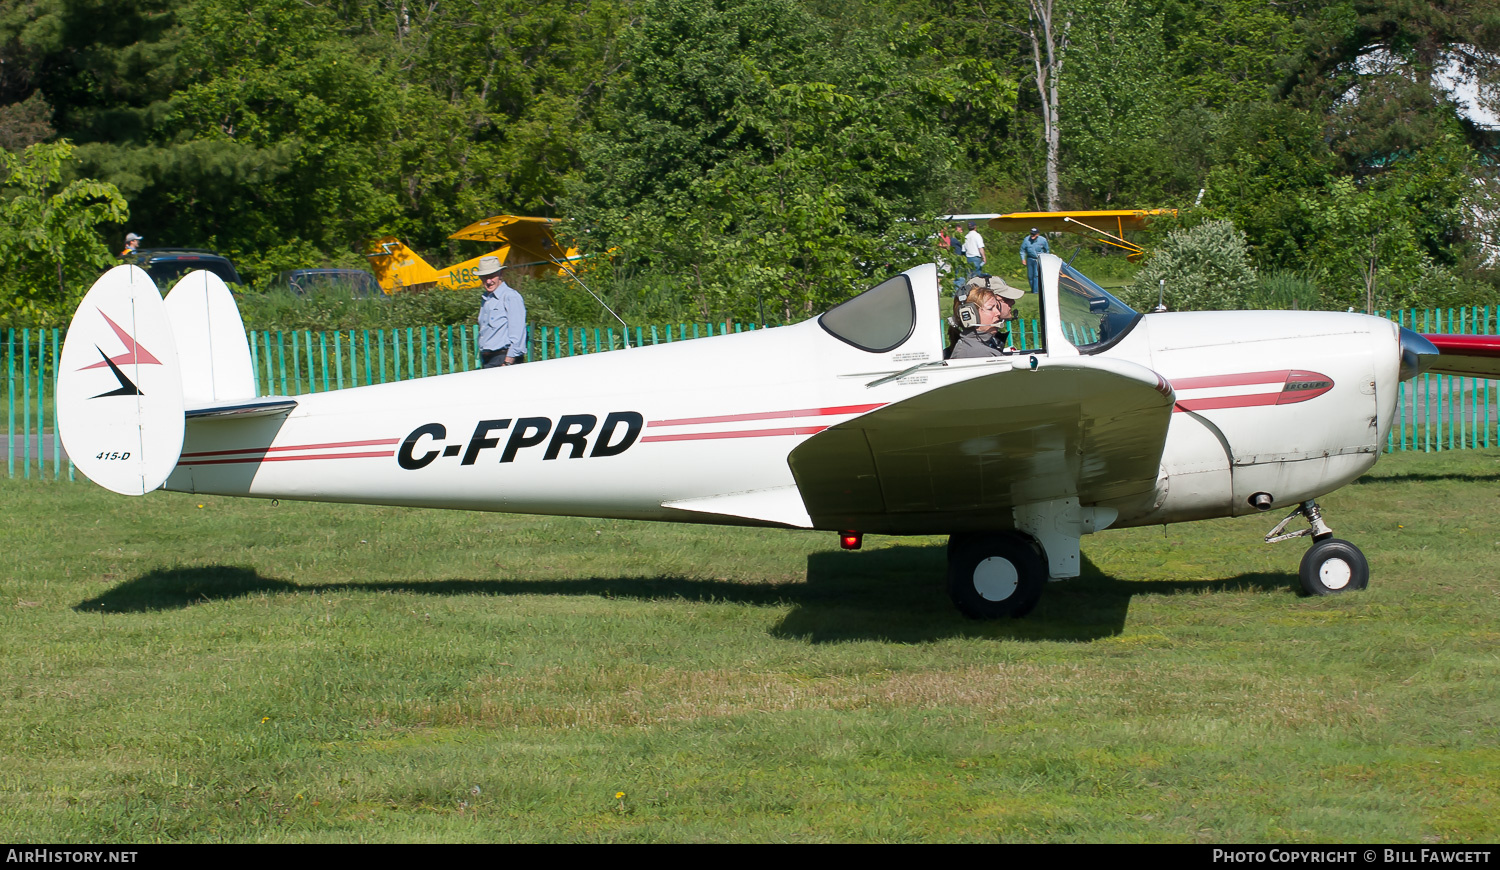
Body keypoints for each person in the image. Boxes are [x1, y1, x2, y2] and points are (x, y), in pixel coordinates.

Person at [948, 275, 1024, 360]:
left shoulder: (982, 345)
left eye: (996, 306)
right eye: (991, 308)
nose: (997, 312)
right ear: (970, 315)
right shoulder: (979, 353)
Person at [476, 255, 527, 368]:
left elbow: (518, 332)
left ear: (500, 274)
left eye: (492, 276)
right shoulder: (486, 300)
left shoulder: (510, 296)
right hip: (488, 359)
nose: (488, 281)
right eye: (484, 277)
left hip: (503, 358)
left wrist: (508, 361)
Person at [1020, 226, 1050, 294]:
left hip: (1039, 259)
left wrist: (1046, 259)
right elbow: (1022, 250)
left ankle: (1035, 291)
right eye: (1031, 233)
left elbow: (1047, 250)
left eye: (1034, 234)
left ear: (1037, 234)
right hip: (1030, 258)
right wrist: (1023, 259)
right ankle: (1032, 289)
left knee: (1036, 275)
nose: (1032, 235)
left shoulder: (1043, 240)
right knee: (1030, 276)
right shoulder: (1026, 240)